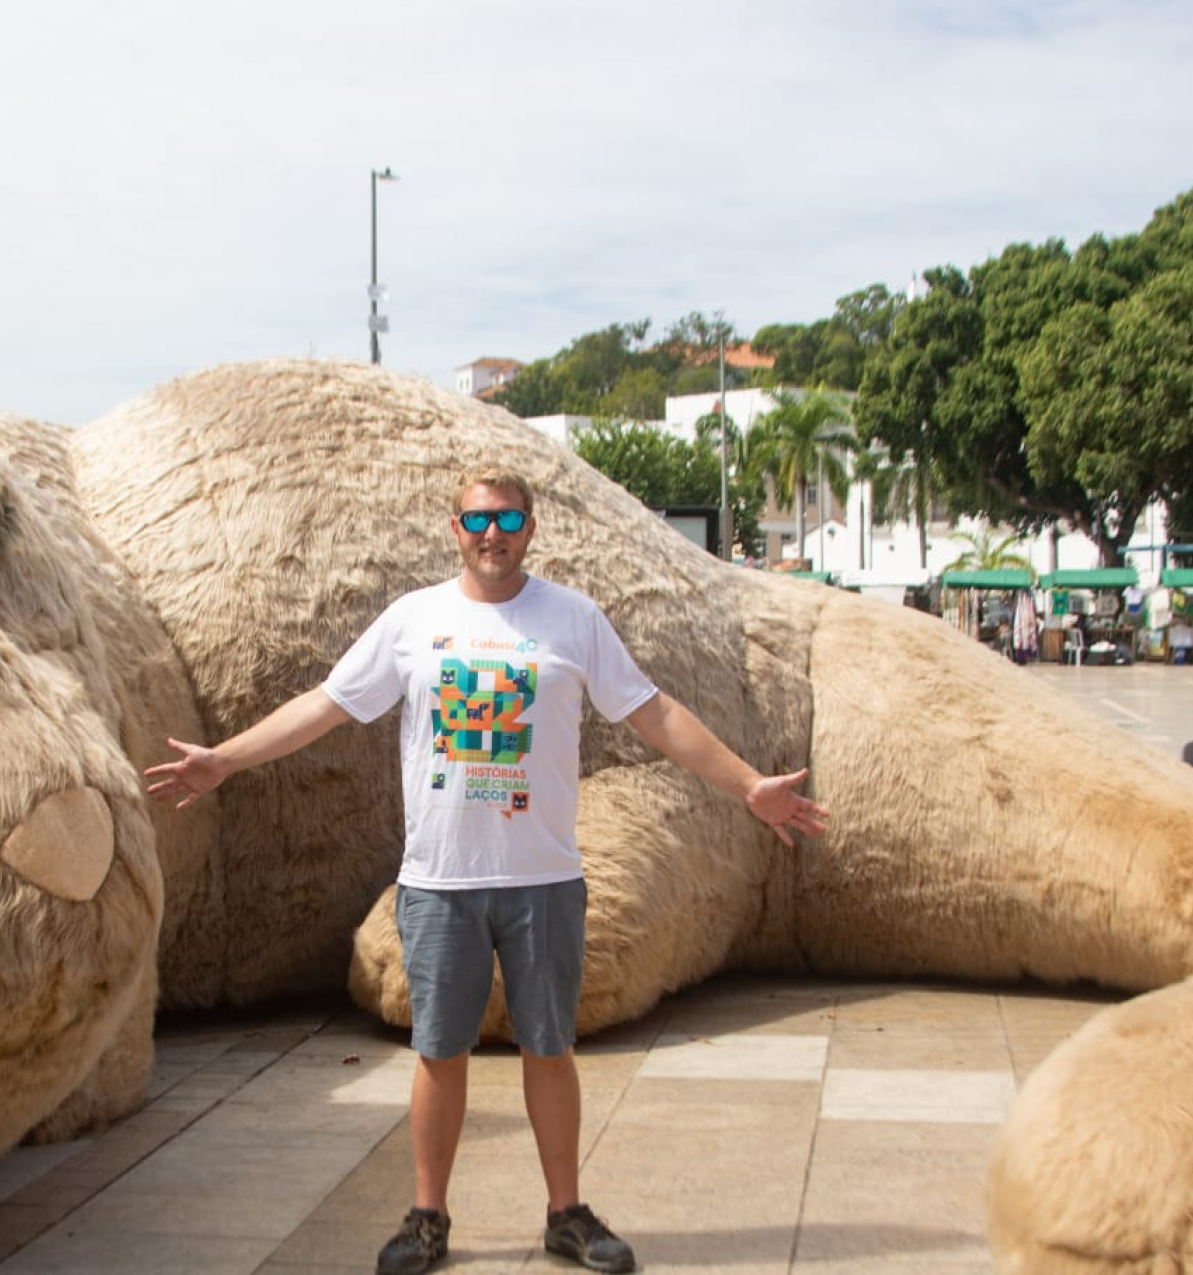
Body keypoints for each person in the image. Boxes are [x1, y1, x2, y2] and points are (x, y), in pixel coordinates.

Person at [145, 467, 829, 1275]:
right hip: (439, 883)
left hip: (543, 879)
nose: (492, 533)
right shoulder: (414, 620)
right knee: (441, 1053)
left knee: (550, 1046)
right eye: (477, 519)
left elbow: (654, 712)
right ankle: (427, 1218)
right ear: (455, 528)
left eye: (507, 517)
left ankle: (566, 1214)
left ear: (531, 528)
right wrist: (226, 759)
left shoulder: (571, 620)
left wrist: (749, 784)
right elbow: (326, 704)